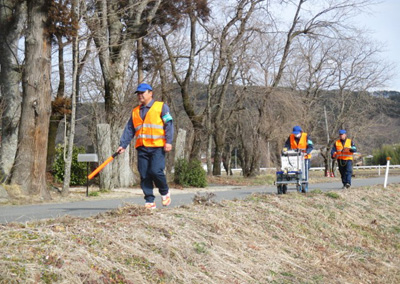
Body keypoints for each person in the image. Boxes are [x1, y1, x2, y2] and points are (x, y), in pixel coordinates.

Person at [117, 83, 174, 209]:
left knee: (156, 171)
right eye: (138, 93)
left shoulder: (161, 107)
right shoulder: (135, 111)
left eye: (142, 93)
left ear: (150, 93)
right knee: (144, 174)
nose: (140, 95)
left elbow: (169, 124)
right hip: (142, 147)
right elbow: (129, 129)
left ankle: (165, 192)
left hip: (157, 146)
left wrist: (168, 141)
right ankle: (149, 201)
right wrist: (123, 145)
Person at [284, 125, 314, 191]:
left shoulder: (306, 136)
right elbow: (287, 145)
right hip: (295, 158)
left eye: (297, 133)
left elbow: (311, 146)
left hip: (305, 157)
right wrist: (286, 150)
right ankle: (298, 184)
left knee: (305, 172)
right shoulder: (291, 137)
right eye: (294, 133)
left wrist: (306, 152)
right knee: (296, 171)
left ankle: (305, 185)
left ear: (300, 132)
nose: (295, 134)